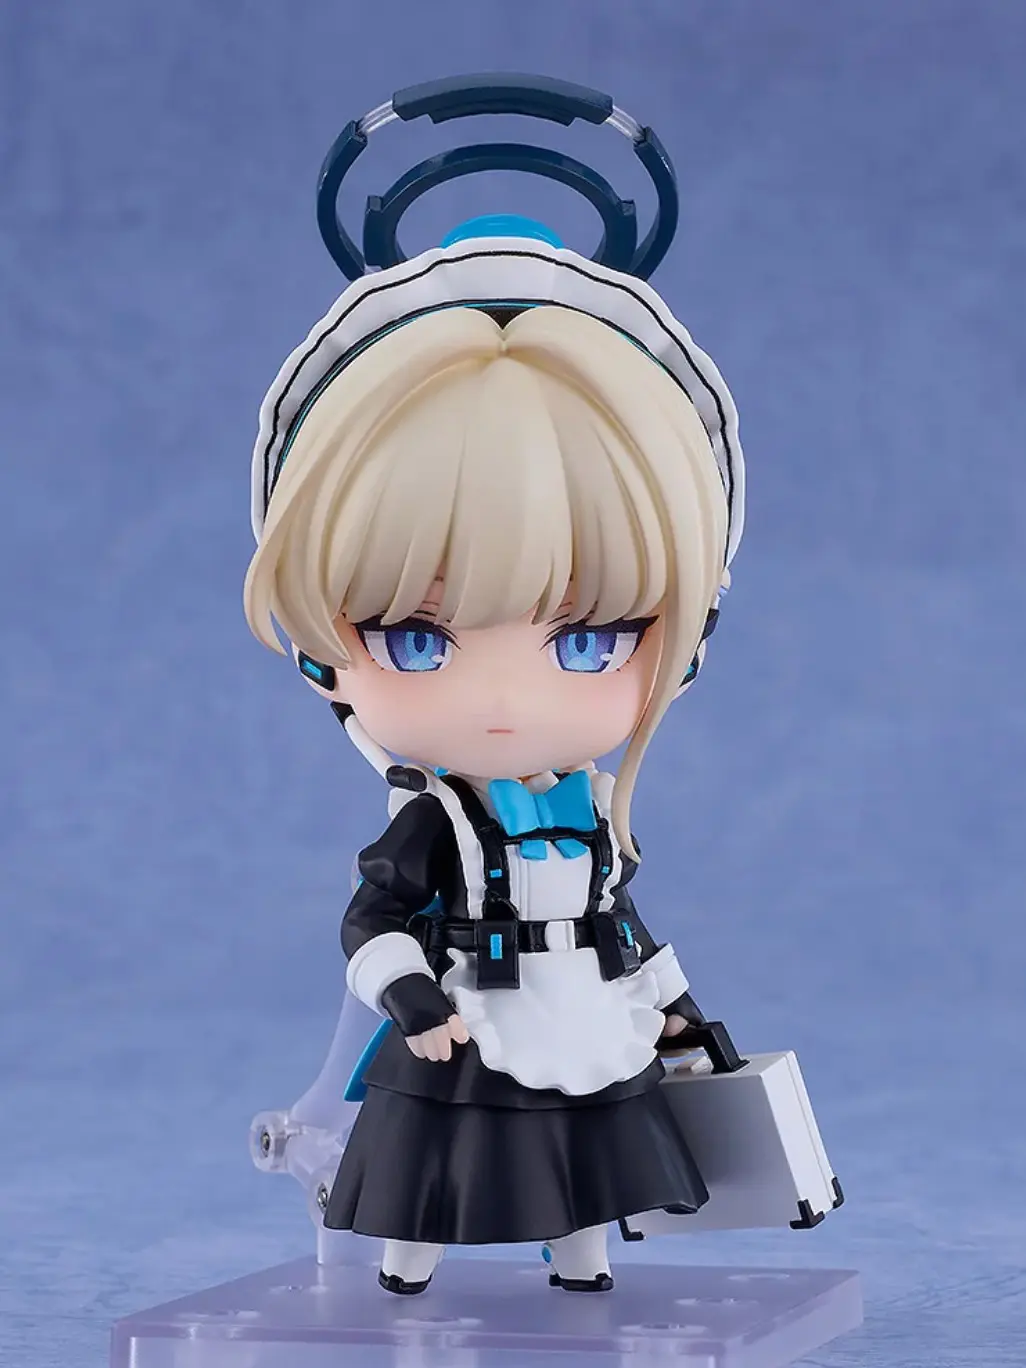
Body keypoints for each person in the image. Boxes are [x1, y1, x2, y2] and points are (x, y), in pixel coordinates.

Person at [243, 227, 744, 1296]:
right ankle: (407, 1265)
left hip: (583, 1003)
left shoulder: (592, 809)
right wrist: (412, 999)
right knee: (436, 1158)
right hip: (473, 1007)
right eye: (416, 639)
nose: (507, 702)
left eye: (591, 639)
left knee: (585, 1149)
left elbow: (618, 918)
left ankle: (582, 1261)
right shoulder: (439, 819)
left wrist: (673, 1004)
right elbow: (373, 919)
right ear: (322, 651)